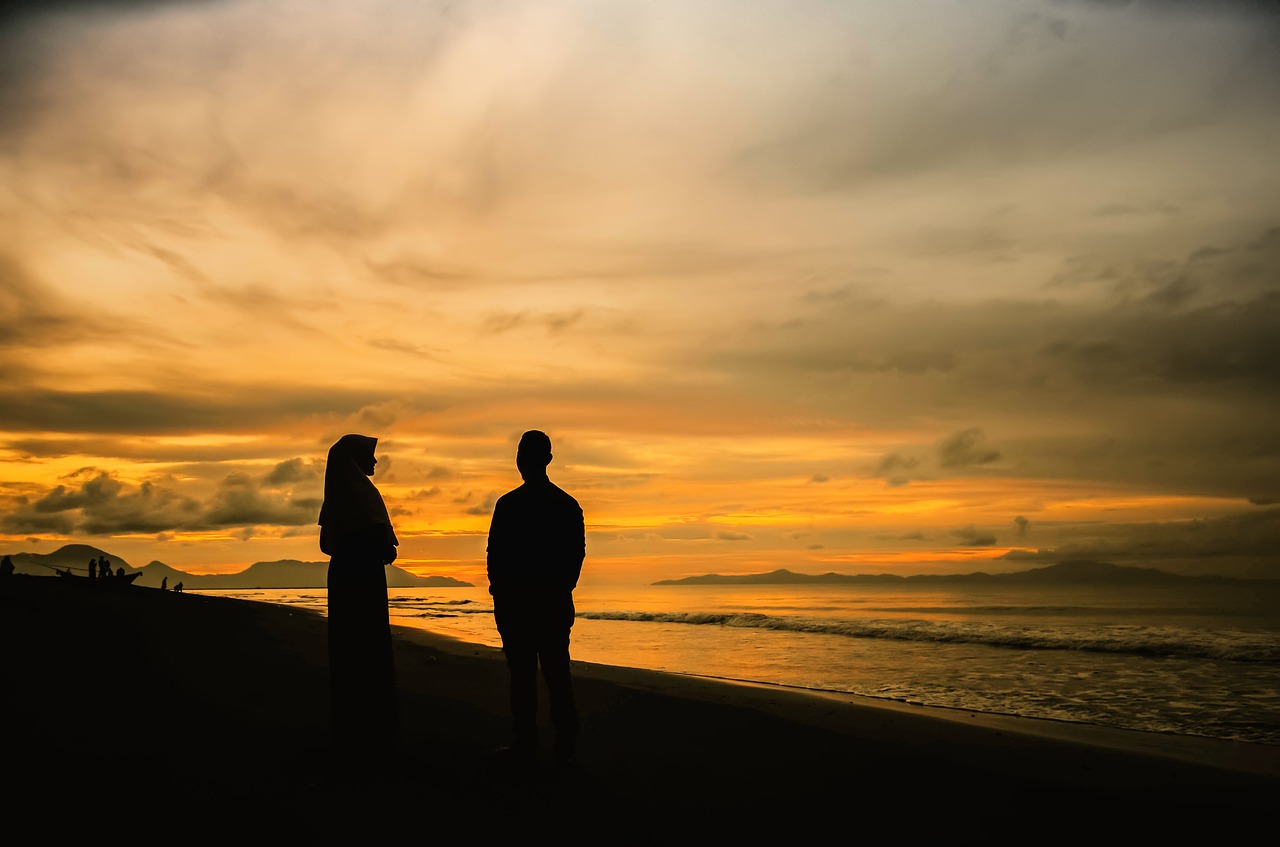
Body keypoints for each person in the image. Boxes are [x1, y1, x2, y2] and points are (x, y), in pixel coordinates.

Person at [486, 429, 585, 767]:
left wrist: (502, 592)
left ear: (542, 459)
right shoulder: (564, 505)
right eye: (521, 454)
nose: (521, 461)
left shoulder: (514, 504)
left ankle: (534, 743)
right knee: (551, 674)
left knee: (532, 676)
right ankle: (557, 745)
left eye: (524, 454)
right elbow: (575, 557)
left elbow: (495, 556)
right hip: (540, 603)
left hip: (531, 604)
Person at [318, 433, 399, 768]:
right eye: (371, 455)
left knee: (349, 647)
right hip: (363, 577)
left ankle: (351, 727)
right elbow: (381, 542)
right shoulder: (361, 494)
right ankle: (372, 730)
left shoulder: (340, 494)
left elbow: (329, 542)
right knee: (368, 644)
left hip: (346, 575)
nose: (376, 461)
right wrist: (380, 547)